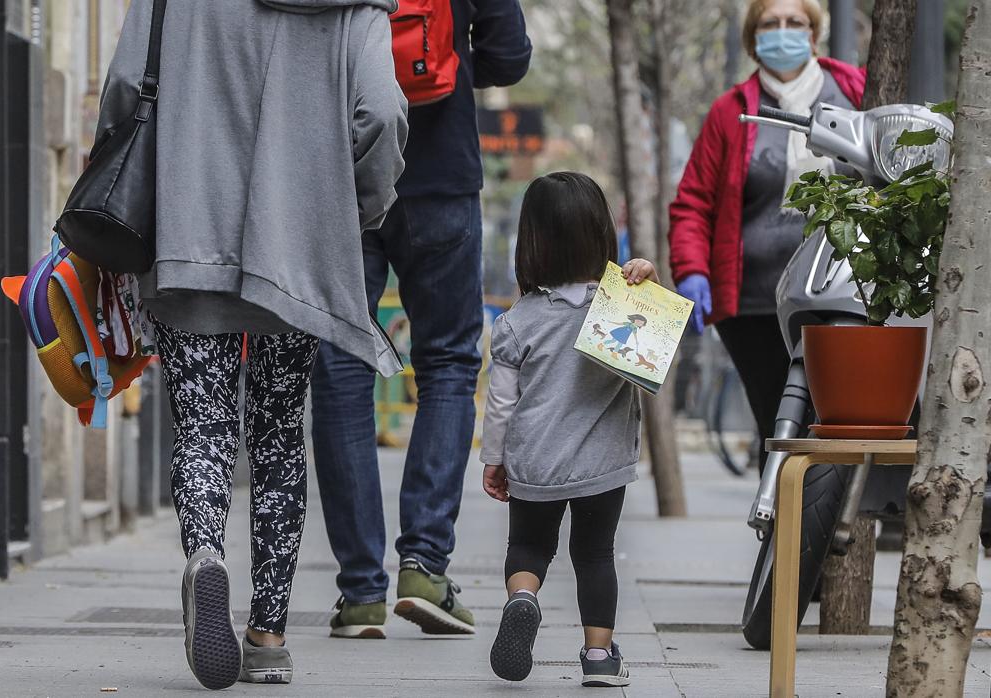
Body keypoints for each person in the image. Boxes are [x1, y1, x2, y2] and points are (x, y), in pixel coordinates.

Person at [98, 0, 407, 689]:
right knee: (277, 433)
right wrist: (351, 211)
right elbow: (382, 115)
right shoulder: (357, 7)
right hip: (296, 253)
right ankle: (267, 635)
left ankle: (206, 555)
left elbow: (123, 87)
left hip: (186, 230)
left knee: (202, 429)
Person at [312, 0, 532, 640]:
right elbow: (510, 56)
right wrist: (451, 63)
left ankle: (359, 594)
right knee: (448, 365)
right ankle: (425, 566)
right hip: (441, 173)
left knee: (342, 369)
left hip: (341, 172)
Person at [669, 0, 865, 470]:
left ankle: (822, 535)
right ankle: (778, 536)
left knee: (832, 426)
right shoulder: (731, 110)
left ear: (813, 32)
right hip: (754, 306)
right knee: (775, 430)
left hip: (842, 297)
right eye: (769, 24)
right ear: (753, 38)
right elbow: (693, 202)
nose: (782, 32)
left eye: (794, 22)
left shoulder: (853, 90)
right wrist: (693, 271)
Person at [480, 172, 653, 688]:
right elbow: (657, 348)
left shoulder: (517, 322)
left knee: (530, 548)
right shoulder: (621, 303)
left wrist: (494, 459)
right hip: (602, 464)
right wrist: (647, 278)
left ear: (530, 243)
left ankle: (523, 599)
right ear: (603, 234)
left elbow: (501, 404)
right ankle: (599, 659)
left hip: (535, 460)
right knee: (595, 554)